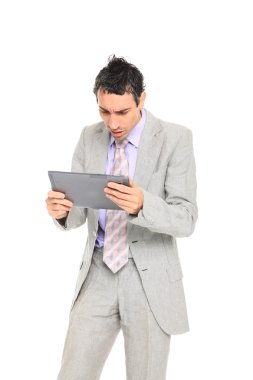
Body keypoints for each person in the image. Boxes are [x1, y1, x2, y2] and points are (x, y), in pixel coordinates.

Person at [46, 55, 198, 380]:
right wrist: (62, 212)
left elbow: (186, 218)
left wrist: (144, 204)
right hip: (98, 271)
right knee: (72, 374)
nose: (112, 122)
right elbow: (76, 215)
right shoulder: (89, 137)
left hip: (148, 277)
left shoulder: (175, 139)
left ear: (141, 99)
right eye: (105, 111)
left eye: (122, 112)